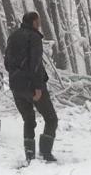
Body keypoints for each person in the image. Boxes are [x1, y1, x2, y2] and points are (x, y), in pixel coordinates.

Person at [4, 11, 58, 163]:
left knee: (28, 120)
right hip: (32, 86)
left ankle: (30, 156)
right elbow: (35, 64)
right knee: (51, 118)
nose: (39, 23)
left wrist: (17, 77)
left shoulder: (12, 37)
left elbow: (7, 63)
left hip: (16, 86)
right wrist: (38, 87)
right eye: (38, 21)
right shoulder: (34, 37)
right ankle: (46, 153)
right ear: (34, 22)